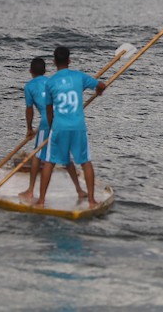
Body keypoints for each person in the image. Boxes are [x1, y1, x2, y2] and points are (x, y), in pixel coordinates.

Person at [35, 47, 106, 208]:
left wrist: (53, 127)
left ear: (54, 62)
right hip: (78, 127)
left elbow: (48, 110)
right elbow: (101, 85)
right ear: (69, 60)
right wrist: (99, 91)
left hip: (59, 126)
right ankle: (92, 201)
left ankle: (41, 201)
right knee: (85, 162)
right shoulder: (78, 77)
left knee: (49, 162)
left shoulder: (50, 82)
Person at [18, 57, 87, 202]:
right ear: (45, 71)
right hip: (61, 121)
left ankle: (30, 191)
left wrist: (29, 129)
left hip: (46, 124)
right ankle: (80, 191)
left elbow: (29, 110)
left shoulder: (29, 86)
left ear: (30, 71)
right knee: (66, 157)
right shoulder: (51, 81)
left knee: (37, 156)